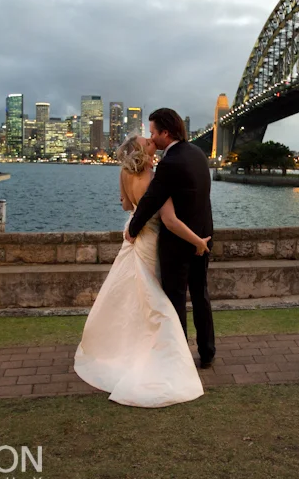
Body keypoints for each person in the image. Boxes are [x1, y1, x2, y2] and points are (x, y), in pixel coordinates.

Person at [73, 133, 208, 408]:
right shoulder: (155, 180)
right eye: (148, 142)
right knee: (155, 299)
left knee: (133, 296)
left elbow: (126, 205)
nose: (153, 142)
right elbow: (169, 221)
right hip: (153, 240)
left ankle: (127, 348)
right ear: (143, 152)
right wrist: (198, 241)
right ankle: (157, 354)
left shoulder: (124, 175)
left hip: (134, 237)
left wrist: (135, 208)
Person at [126, 108, 216, 369]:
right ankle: (207, 352)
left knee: (175, 299)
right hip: (203, 236)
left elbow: (151, 199)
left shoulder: (170, 162)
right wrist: (202, 239)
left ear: (166, 132)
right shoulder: (198, 154)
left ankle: (179, 356)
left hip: (177, 243)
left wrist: (133, 228)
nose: (152, 137)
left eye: (153, 132)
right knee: (200, 294)